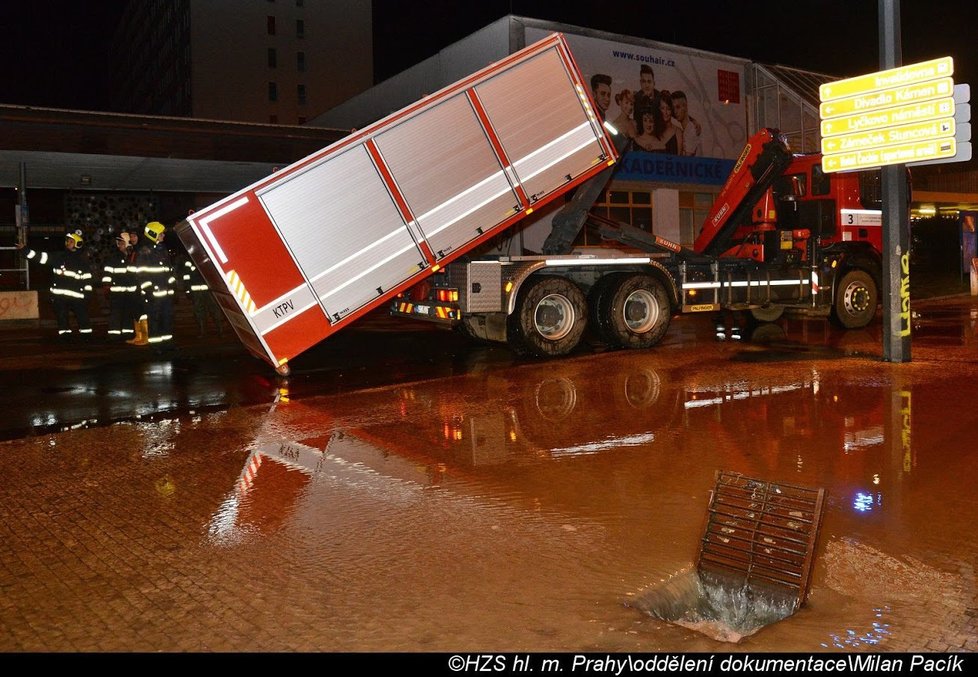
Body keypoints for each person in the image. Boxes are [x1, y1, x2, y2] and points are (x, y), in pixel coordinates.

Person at [19, 230, 94, 342]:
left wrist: (87, 294)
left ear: (77, 244)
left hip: (77, 297)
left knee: (82, 317)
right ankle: (65, 337)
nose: (68, 242)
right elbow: (41, 257)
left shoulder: (82, 262)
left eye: (71, 241)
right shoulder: (59, 257)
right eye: (68, 241)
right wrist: (25, 251)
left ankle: (87, 336)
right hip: (59, 296)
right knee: (61, 317)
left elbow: (87, 279)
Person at [135, 221, 176, 351]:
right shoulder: (144, 251)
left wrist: (172, 286)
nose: (163, 235)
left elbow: (168, 270)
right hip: (153, 294)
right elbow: (141, 273)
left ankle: (167, 344)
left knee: (167, 319)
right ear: (153, 234)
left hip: (165, 294)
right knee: (155, 320)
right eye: (160, 233)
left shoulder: (162, 249)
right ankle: (156, 346)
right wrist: (148, 290)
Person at [101, 232, 139, 341]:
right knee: (116, 314)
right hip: (116, 293)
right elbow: (107, 274)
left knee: (128, 314)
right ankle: (114, 335)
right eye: (118, 243)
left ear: (127, 244)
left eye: (121, 243)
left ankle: (128, 333)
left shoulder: (134, 257)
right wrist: (107, 287)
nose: (119, 245)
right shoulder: (113, 258)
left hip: (130, 292)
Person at [181, 253, 224, 337]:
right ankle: (217, 331)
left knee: (207, 310)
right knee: (211, 310)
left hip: (203, 291)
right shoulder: (205, 257)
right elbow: (186, 276)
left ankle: (211, 331)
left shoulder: (190, 259)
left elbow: (186, 276)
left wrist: (187, 290)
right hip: (206, 290)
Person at [671, 90, 702, 156]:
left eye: (678, 107)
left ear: (685, 106)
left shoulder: (690, 131)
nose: (675, 112)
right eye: (673, 108)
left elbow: (687, 161)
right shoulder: (689, 127)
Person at [654, 91, 684, 156]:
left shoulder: (678, 132)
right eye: (662, 108)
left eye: (668, 109)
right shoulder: (653, 129)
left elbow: (679, 159)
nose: (665, 112)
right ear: (658, 109)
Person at [633, 64, 660, 130]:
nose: (646, 85)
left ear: (654, 83)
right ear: (640, 83)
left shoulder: (661, 97)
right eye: (644, 81)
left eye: (649, 81)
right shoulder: (636, 98)